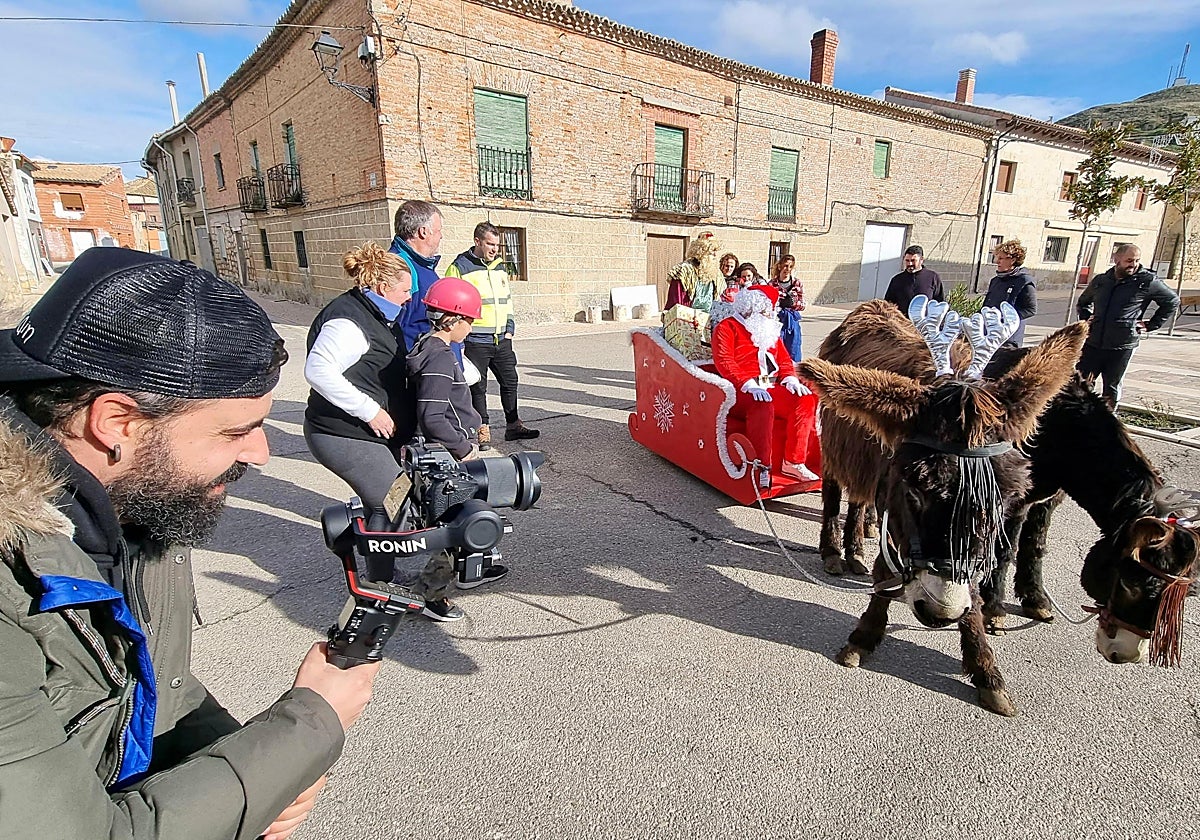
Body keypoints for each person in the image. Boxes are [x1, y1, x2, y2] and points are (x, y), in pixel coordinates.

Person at [0, 249, 378, 838]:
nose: (261, 453)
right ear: (117, 422)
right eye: (235, 430)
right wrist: (309, 722)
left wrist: (258, 772)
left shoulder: (133, 506)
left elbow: (152, 689)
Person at [406, 277, 509, 619]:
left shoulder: (430, 346)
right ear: (455, 318)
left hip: (444, 450)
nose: (470, 328)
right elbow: (433, 416)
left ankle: (476, 568)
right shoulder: (438, 357)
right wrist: (464, 448)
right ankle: (430, 596)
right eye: (470, 321)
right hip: (446, 455)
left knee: (475, 509)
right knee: (458, 524)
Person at [303, 242, 413, 543]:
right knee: (392, 499)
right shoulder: (349, 322)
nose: (409, 297)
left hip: (363, 433)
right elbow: (318, 370)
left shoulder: (373, 312)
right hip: (341, 433)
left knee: (386, 501)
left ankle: (383, 571)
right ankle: (382, 582)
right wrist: (371, 411)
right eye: (404, 291)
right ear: (381, 287)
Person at [711, 284, 819, 489]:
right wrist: (748, 384)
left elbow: (785, 360)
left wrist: (790, 379)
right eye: (770, 307)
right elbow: (725, 362)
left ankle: (794, 462)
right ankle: (761, 466)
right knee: (763, 405)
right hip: (740, 391)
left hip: (769, 386)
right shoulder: (727, 328)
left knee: (804, 399)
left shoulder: (768, 329)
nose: (773, 312)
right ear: (756, 306)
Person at [444, 221, 539, 447]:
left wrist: (510, 327)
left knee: (510, 381)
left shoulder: (499, 267)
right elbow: (449, 303)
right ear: (477, 241)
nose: (495, 249)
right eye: (490, 244)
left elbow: (506, 300)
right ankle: (482, 429)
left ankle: (513, 426)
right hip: (475, 338)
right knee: (478, 387)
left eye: (497, 244)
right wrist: (459, 335)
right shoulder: (459, 267)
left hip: (501, 338)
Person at [1077, 243, 1179, 407]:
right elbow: (1083, 303)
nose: (1133, 264)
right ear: (1116, 259)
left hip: (1122, 344)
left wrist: (1151, 325)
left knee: (1111, 386)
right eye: (1129, 260)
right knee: (1082, 383)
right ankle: (1082, 418)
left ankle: (1109, 422)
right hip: (1093, 342)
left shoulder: (1147, 281)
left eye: (1137, 260)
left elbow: (1172, 301)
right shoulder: (1101, 281)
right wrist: (1086, 319)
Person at [389, 200, 445, 352]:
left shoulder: (420, 264)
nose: (441, 236)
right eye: (439, 230)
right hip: (417, 366)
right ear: (423, 232)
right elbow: (393, 328)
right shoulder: (401, 268)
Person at [982, 239, 1037, 346]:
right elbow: (987, 305)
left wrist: (1006, 320)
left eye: (1001, 258)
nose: (996, 261)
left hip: (1009, 340)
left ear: (1012, 260)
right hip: (989, 335)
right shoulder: (995, 280)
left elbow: (1030, 309)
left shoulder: (1024, 281)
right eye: (997, 257)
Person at [665, 232, 722, 313]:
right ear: (702, 251)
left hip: (709, 320)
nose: (715, 254)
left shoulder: (716, 273)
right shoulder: (684, 270)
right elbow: (677, 303)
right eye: (712, 250)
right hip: (688, 319)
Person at [883, 245, 943, 312]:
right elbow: (888, 304)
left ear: (921, 260)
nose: (910, 264)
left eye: (913, 260)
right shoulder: (896, 280)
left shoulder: (933, 278)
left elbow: (939, 303)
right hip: (901, 321)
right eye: (907, 260)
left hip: (925, 322)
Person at [770, 254, 806, 361]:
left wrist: (793, 304)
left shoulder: (797, 283)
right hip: (777, 319)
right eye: (785, 266)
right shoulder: (772, 284)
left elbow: (803, 304)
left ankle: (794, 374)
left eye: (791, 267)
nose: (788, 269)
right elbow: (767, 304)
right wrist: (779, 304)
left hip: (792, 321)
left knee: (793, 349)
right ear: (780, 266)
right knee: (776, 349)